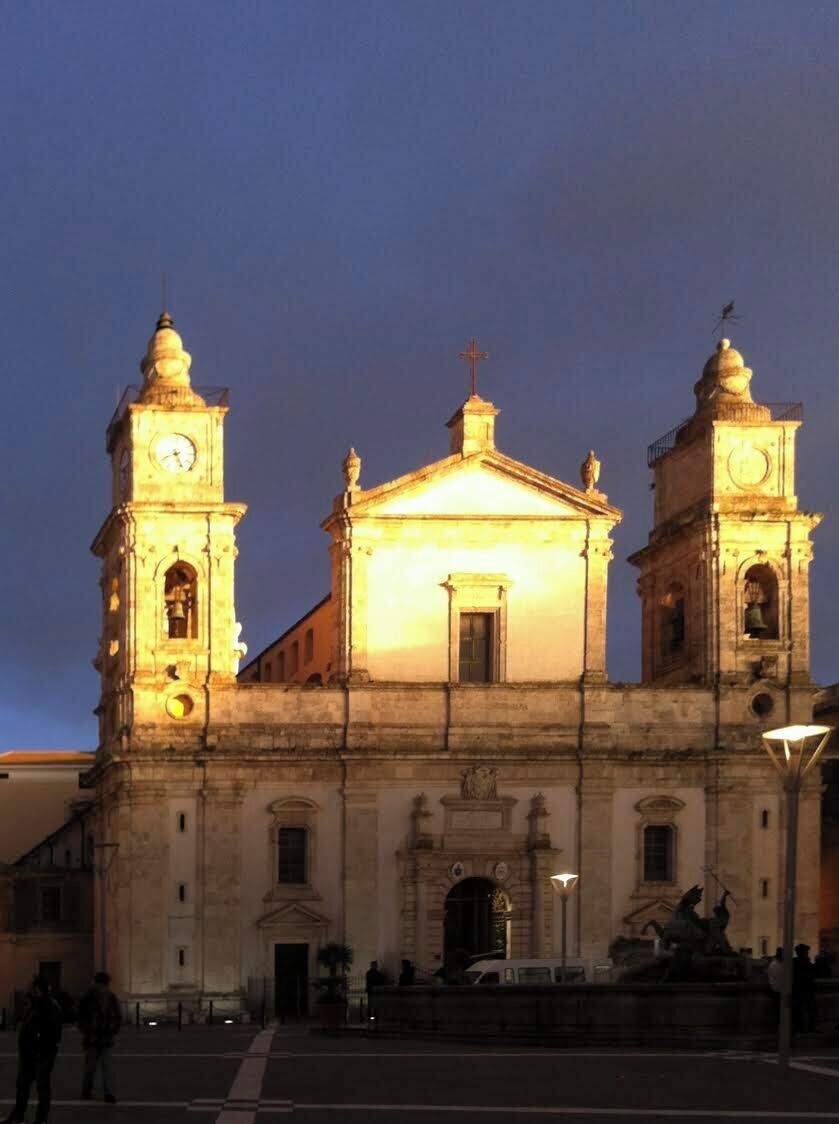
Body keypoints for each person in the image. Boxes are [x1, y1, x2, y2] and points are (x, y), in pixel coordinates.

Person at [2, 974, 62, 1124]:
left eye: (30, 985)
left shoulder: (50, 1006)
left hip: (42, 1054)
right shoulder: (33, 1004)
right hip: (28, 1054)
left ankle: (40, 1119)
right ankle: (18, 1115)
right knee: (22, 1086)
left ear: (37, 988)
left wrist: (39, 1043)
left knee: (42, 1088)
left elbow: (54, 1034)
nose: (27, 988)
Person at [77, 971, 122, 1104]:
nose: (102, 988)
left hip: (105, 1038)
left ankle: (109, 1093)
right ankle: (86, 1091)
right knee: (90, 1068)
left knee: (106, 1067)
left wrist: (114, 1029)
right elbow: (80, 1014)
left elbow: (118, 1016)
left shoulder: (111, 997)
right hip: (92, 1038)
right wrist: (85, 1029)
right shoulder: (88, 997)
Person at [792, 943, 817, 1034]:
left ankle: (799, 1028)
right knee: (810, 1010)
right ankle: (810, 1028)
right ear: (804, 952)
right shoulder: (806, 962)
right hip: (807, 990)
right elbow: (813, 973)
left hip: (797, 990)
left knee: (797, 1011)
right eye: (807, 952)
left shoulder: (793, 962)